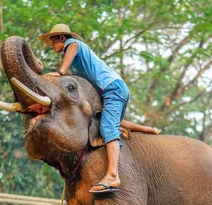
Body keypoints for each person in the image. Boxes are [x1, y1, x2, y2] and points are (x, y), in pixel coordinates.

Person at [40, 23, 159, 194]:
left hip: (112, 88)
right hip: (111, 89)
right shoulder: (76, 65)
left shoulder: (72, 46)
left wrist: (60, 72)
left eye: (54, 40)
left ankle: (112, 175)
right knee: (111, 122)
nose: (53, 46)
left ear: (62, 37)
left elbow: (73, 46)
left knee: (108, 127)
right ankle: (148, 129)